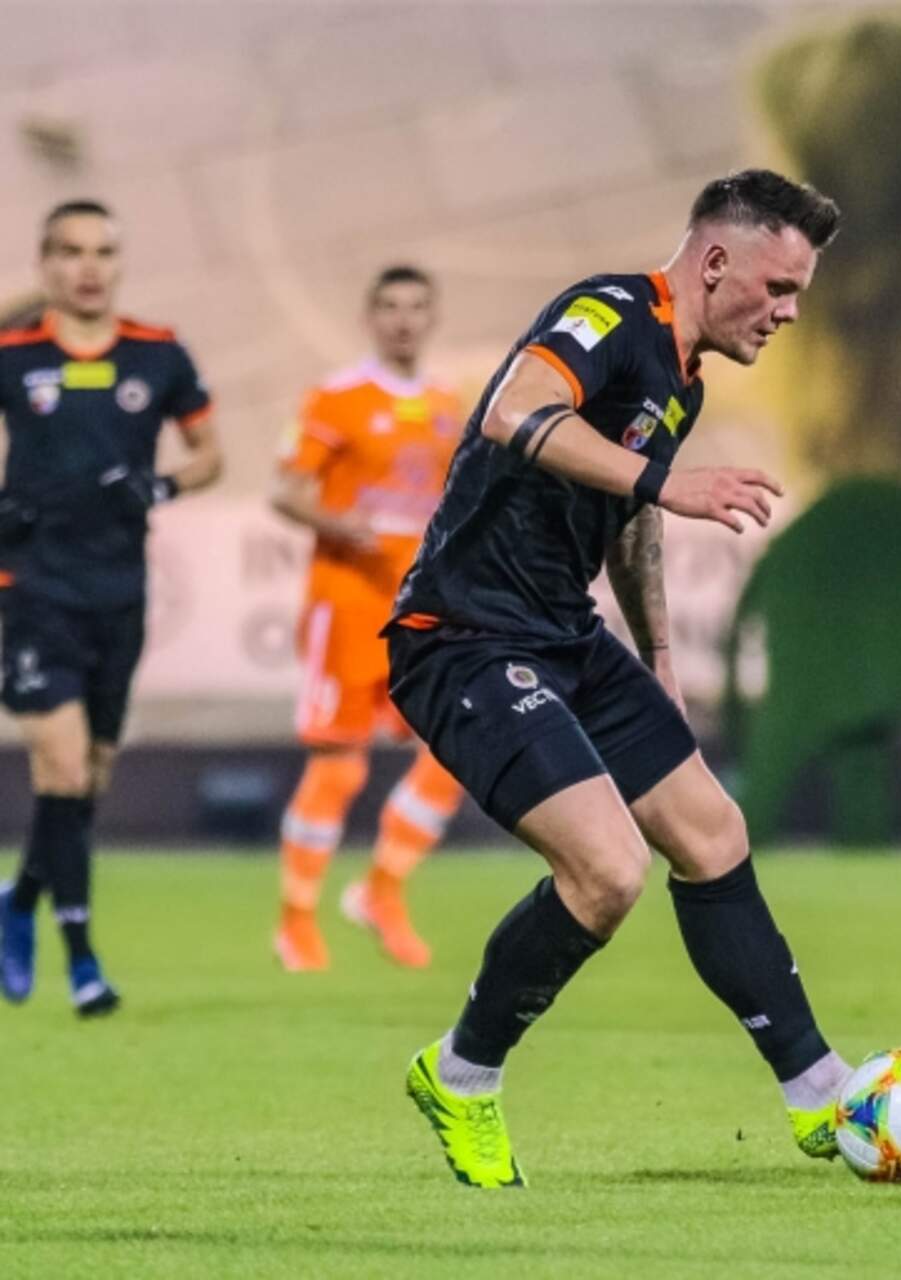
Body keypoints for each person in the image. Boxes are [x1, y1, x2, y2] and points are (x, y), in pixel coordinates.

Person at [386, 170, 851, 1188]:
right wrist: (668, 481)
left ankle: (821, 1090)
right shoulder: (608, 313)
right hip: (463, 636)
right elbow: (515, 411)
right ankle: (461, 1073)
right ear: (716, 261)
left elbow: (628, 517)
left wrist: (659, 656)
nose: (787, 313)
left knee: (713, 833)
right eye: (779, 288)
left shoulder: (683, 376)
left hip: (567, 635)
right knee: (607, 873)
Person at [0, 200, 223, 1014]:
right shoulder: (15, 354)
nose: (88, 267)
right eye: (70, 251)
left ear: (120, 263)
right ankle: (84, 962)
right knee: (60, 769)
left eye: (102, 251)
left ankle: (18, 901)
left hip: (119, 593)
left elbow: (210, 454)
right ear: (45, 264)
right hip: (32, 589)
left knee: (86, 781)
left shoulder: (157, 352)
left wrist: (161, 485)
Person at [270, 266, 466, 972]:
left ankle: (382, 890)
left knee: (455, 751)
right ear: (370, 317)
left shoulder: (447, 404)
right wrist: (336, 523)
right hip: (348, 602)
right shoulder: (336, 397)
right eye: (389, 306)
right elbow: (285, 490)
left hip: (421, 609)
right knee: (339, 766)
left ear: (432, 316)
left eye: (416, 306)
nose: (403, 319)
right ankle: (296, 921)